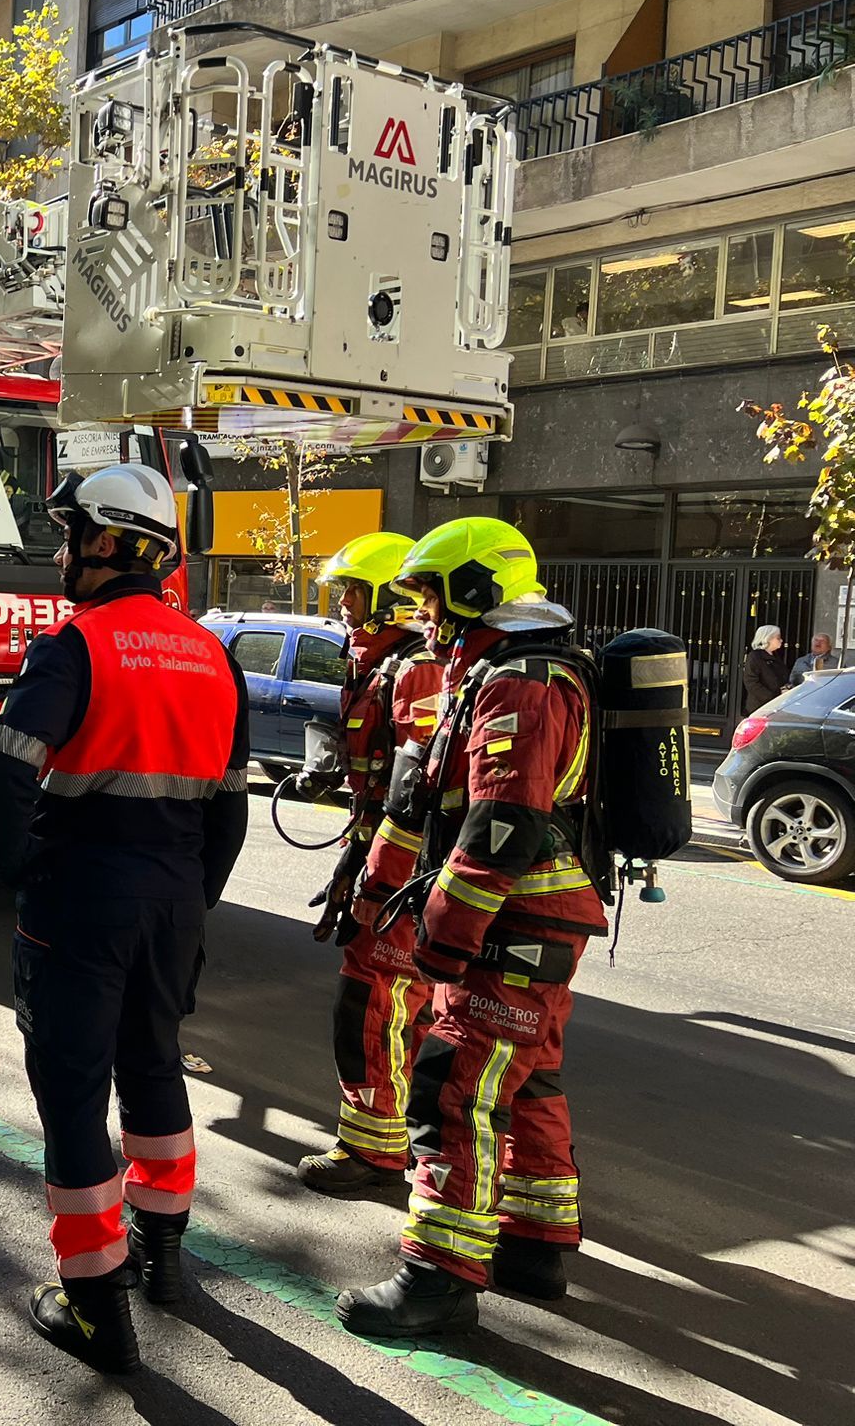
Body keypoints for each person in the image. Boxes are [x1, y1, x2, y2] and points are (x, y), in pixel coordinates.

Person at [0, 463, 250, 1375]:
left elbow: (7, 772)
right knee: (154, 1069)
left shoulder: (76, 646)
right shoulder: (215, 655)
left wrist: (26, 874)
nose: (60, 556)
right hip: (173, 898)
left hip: (81, 898)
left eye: (68, 538)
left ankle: (96, 1308)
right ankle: (163, 1256)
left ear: (103, 545)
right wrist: (189, 901)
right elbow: (232, 808)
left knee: (73, 1095)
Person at [336, 518, 608, 1338]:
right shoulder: (503, 669)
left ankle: (438, 1280)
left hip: (510, 927)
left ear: (477, 588)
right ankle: (533, 1246)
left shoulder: (518, 681)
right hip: (539, 925)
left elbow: (499, 828)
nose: (422, 613)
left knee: (454, 1093)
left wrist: (445, 936)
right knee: (528, 1087)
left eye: (430, 594)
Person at [294, 532, 447, 1195]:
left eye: (354, 594)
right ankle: (384, 1139)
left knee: (376, 1003)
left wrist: (383, 879)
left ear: (387, 600)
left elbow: (419, 794)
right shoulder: (380, 666)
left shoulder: (416, 669)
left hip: (402, 869)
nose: (345, 608)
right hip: (376, 851)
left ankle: (375, 1151)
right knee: (380, 1002)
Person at [741, 625, 787, 712]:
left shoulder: (776, 656)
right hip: (760, 706)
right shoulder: (755, 656)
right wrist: (772, 696)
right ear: (768, 638)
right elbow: (751, 682)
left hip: (776, 705)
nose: (781, 640)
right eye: (778, 638)